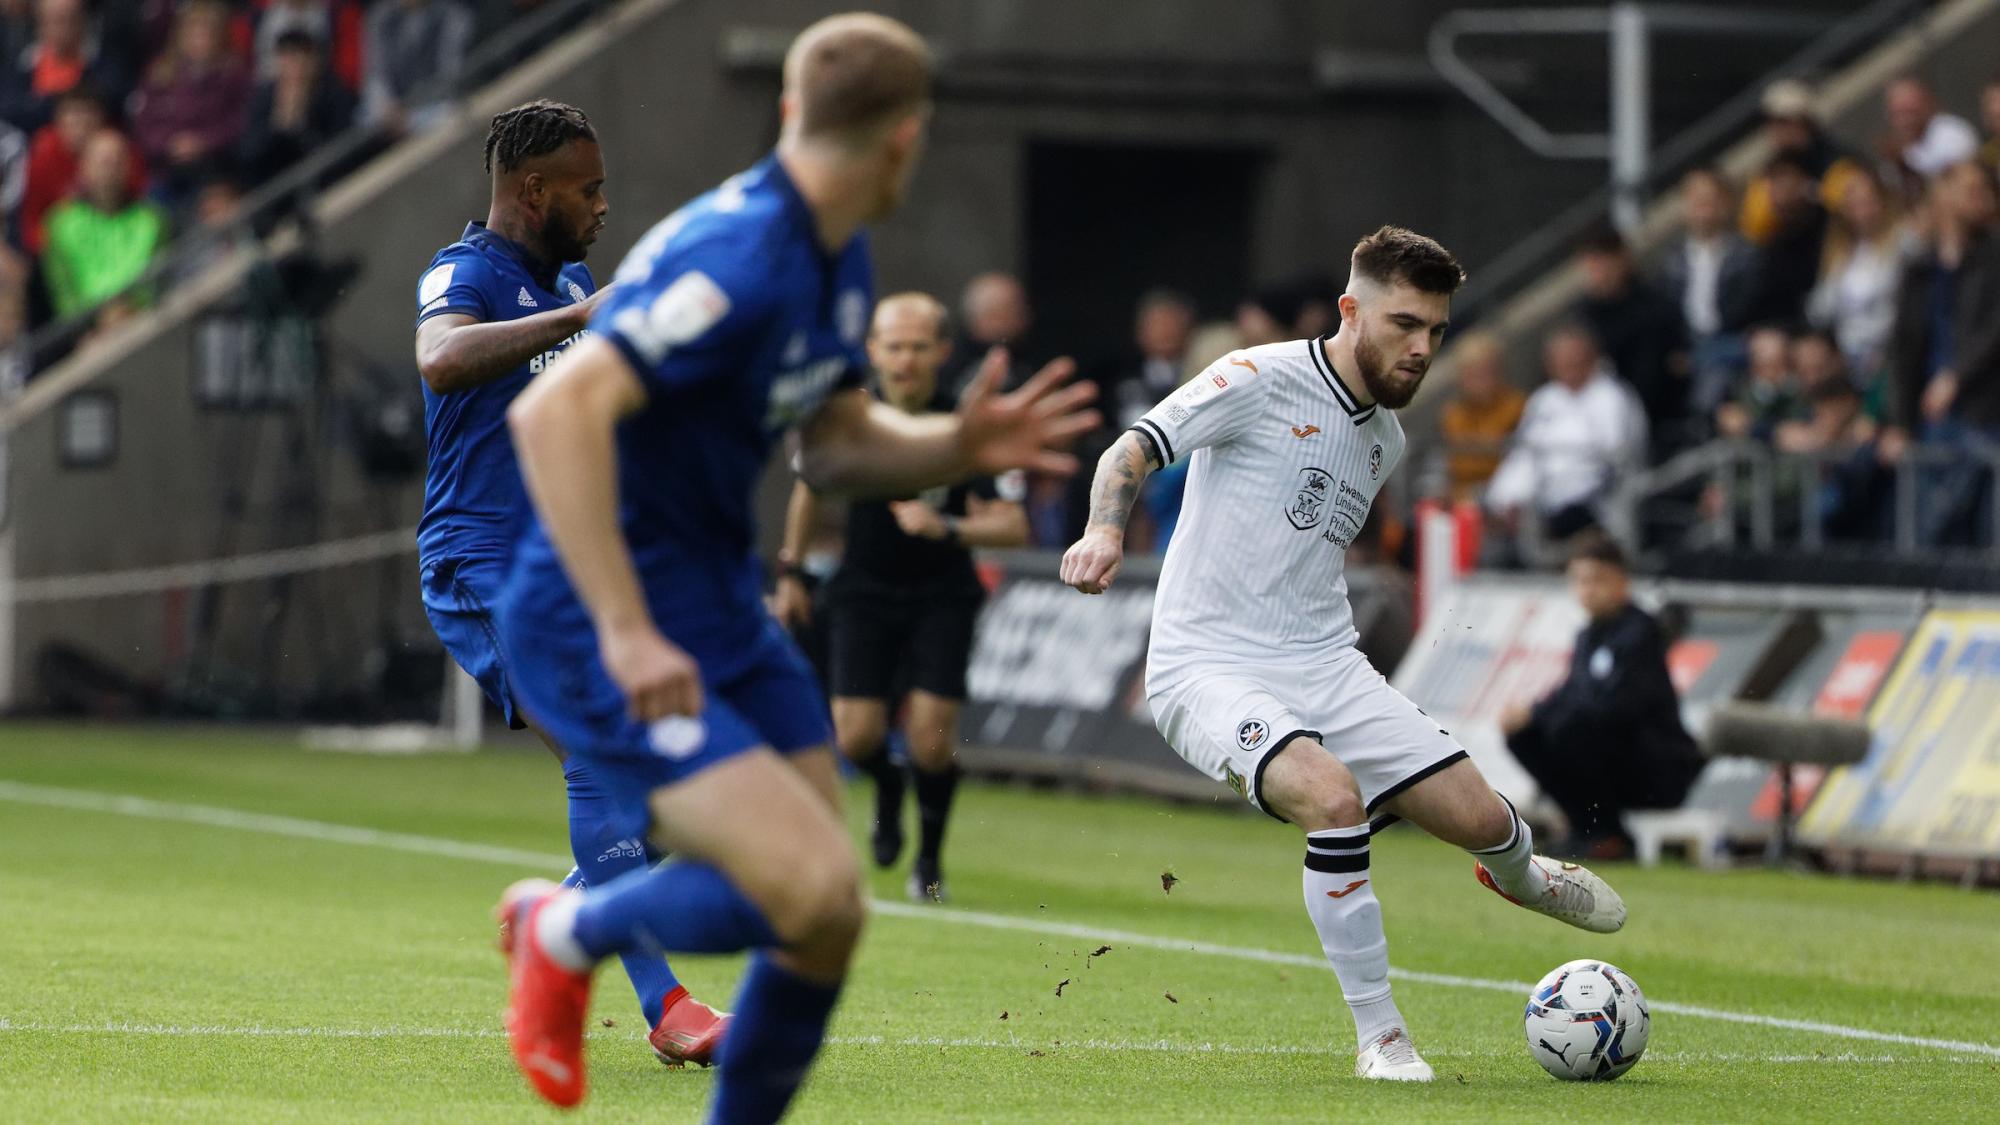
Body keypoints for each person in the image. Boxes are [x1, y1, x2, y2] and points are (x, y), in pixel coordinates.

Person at [489, 15, 1097, 1115]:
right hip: (598, 615)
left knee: (822, 913)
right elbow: (554, 414)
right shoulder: (741, 256)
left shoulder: (836, 248)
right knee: (805, 885)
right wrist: (625, 631)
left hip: (711, 605)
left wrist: (953, 446)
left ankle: (575, 934)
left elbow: (834, 442)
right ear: (906, 139)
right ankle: (562, 927)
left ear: (788, 112)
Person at [1060, 226, 1625, 1085]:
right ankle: (1382, 1036)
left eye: (1436, 329)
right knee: (1333, 798)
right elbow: (1130, 448)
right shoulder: (1257, 376)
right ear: (1351, 310)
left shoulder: (1386, 439)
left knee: (1481, 816)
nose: (1422, 346)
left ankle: (1525, 875)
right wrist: (1105, 530)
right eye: (1405, 323)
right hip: (1206, 663)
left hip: (1324, 661)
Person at [411, 100, 728, 1069]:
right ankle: (666, 1007)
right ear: (531, 190)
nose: (601, 204)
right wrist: (584, 318)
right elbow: (442, 357)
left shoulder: (576, 281)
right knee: (602, 756)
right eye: (586, 189)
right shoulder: (462, 273)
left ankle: (557, 917)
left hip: (572, 565)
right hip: (480, 562)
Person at [771, 292, 1029, 904]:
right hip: (863, 590)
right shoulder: (851, 418)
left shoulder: (965, 425)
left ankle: (930, 861)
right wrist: (794, 572)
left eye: (918, 346)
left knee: (930, 741)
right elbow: (810, 486)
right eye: (893, 346)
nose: (905, 359)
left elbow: (1013, 526)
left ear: (942, 351)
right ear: (873, 352)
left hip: (943, 594)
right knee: (856, 739)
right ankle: (888, 791)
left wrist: (951, 529)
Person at [1501, 533, 1703, 859]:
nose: (1588, 589)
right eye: (1580, 580)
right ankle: (1588, 828)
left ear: (1622, 583)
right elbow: (1571, 693)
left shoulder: (1640, 633)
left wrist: (1541, 714)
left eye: (1597, 580)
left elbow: (1614, 709)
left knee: (1571, 728)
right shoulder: (1586, 636)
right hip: (1615, 763)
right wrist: (1530, 713)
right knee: (1523, 734)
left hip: (1659, 770)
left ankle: (1608, 834)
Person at [1483, 324, 1649, 544]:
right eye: (1560, 359)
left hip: (1595, 505)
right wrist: (1507, 499)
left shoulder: (1613, 397)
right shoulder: (1543, 400)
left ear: (1591, 356)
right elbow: (1523, 456)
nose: (1568, 365)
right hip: (1539, 503)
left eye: (1574, 357)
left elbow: (1611, 463)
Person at [1572, 224, 1688, 448]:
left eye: (1605, 260)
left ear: (1622, 259)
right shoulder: (1582, 317)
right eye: (1593, 262)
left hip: (1646, 419)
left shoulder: (1653, 308)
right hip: (1585, 422)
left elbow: (1654, 378)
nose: (1600, 270)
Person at [127, 0, 250, 201]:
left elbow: (240, 121)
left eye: (206, 33)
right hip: (165, 171)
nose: (200, 40)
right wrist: (170, 144)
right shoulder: (160, 74)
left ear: (220, 36)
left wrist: (203, 142)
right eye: (193, 32)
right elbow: (143, 125)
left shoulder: (234, 76)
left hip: (216, 171)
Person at [1657, 167, 1756, 412]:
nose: (1703, 209)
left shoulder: (1745, 255)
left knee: (1718, 365)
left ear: (1726, 204)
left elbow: (1747, 310)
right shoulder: (1671, 260)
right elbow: (1663, 311)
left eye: (1710, 200)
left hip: (1730, 341)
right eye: (1696, 200)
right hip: (1685, 342)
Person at [41, 128, 163, 321]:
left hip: (147, 320)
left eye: (118, 161)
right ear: (83, 167)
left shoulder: (152, 219)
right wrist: (88, 326)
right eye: (104, 162)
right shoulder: (61, 225)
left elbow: (159, 279)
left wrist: (130, 310)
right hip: (91, 334)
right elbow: (63, 293)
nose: (111, 169)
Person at [1807, 164, 1911, 386]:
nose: (1861, 211)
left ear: (1882, 200)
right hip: (1849, 356)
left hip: (1892, 352)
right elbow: (1820, 310)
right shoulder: (1840, 253)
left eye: (1867, 201)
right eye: (1853, 204)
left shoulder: (1903, 240)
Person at [1738, 79, 1863, 247]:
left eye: (1785, 121)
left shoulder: (1839, 163)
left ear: (1807, 122)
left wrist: (1810, 196)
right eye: (1772, 122)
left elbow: (1855, 210)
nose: (1778, 130)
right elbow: (1753, 230)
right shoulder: (1767, 173)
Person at [237, 29, 354, 188]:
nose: (296, 69)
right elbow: (249, 151)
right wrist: (280, 123)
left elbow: (338, 149)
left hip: (323, 182)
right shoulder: (265, 97)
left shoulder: (335, 94)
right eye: (288, 60)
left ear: (315, 61)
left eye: (301, 60)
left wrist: (300, 123)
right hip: (274, 183)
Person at [1435, 330, 1524, 503]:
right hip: (1463, 499)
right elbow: (1452, 466)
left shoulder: (1516, 407)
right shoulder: (1452, 415)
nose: (1480, 381)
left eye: (1486, 372)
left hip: (1504, 495)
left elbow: (1514, 465)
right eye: (1472, 374)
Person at [361, 0, 471, 138]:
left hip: (436, 106)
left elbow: (451, 73)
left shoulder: (451, 14)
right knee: (365, 118)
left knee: (451, 115)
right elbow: (376, 72)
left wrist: (410, 117)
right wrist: (386, 104)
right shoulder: (383, 18)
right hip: (396, 112)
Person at [943, 269, 1032, 398]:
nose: (1025, 317)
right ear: (991, 316)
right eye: (1014, 310)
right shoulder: (955, 365)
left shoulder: (1021, 356)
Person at [1881, 76, 1979, 186]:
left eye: (1909, 110)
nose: (1905, 120)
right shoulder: (1896, 154)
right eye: (1898, 113)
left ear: (1926, 102)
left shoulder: (1951, 133)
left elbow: (1964, 181)